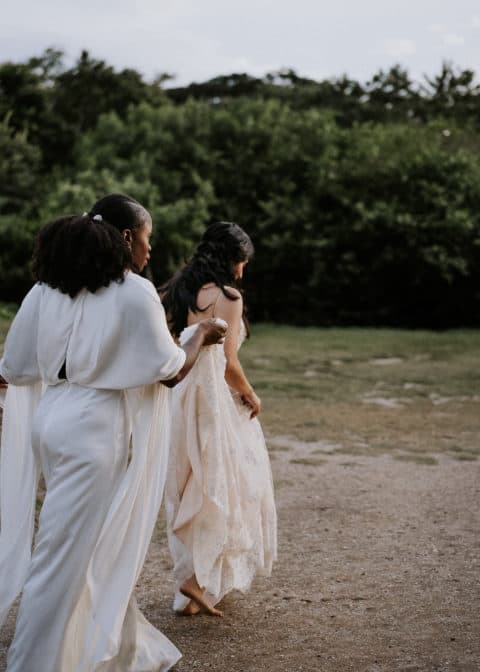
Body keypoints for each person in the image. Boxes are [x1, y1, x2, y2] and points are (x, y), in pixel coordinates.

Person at [0, 194, 226, 671]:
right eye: (147, 238)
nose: (150, 250)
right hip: (94, 430)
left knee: (86, 543)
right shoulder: (134, 291)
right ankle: (30, 663)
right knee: (61, 556)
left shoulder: (46, 289)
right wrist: (201, 336)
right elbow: (170, 370)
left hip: (51, 419)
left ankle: (116, 647)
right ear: (127, 237)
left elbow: (14, 367)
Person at [161, 221, 277, 617]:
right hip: (213, 400)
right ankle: (198, 579)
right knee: (231, 485)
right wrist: (251, 394)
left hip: (180, 398)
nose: (242, 271)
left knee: (195, 485)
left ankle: (199, 581)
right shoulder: (228, 297)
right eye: (242, 262)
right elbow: (228, 363)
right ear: (230, 259)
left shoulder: (179, 290)